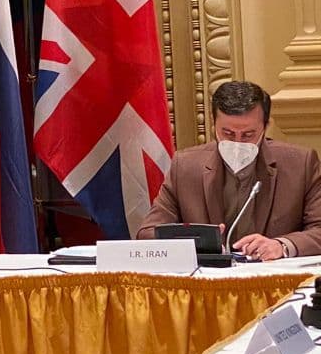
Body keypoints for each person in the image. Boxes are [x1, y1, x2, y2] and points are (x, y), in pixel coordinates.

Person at [137, 80, 321, 258]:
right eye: (228, 133)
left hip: (274, 275)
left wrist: (281, 245)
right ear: (213, 123)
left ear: (265, 127)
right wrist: (199, 242)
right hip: (209, 276)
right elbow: (147, 233)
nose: (237, 143)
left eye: (248, 134)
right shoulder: (185, 166)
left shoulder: (301, 164)